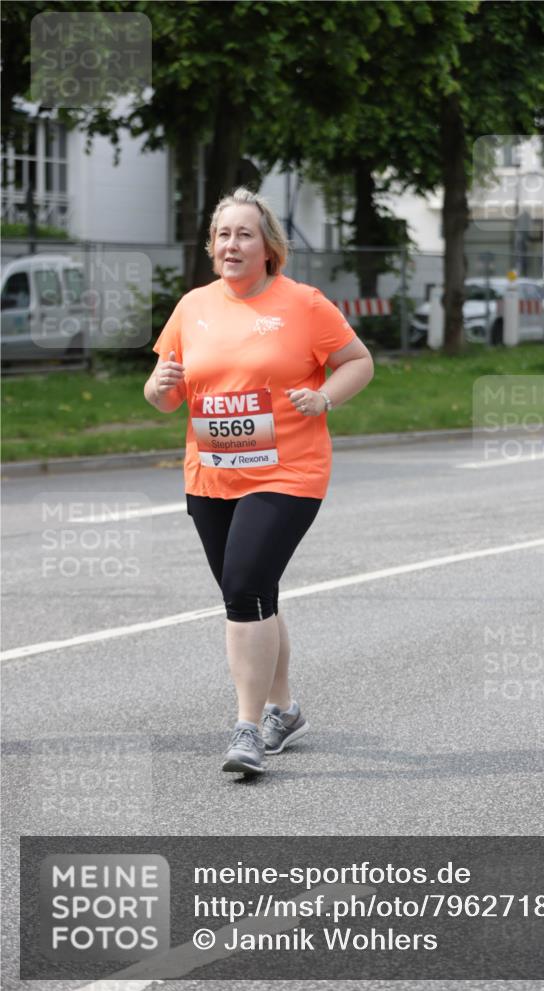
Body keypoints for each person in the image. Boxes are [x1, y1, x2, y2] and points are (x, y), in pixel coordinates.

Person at [144, 187, 373, 776]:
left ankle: (247, 730)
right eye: (223, 235)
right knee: (252, 595)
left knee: (244, 587)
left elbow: (358, 361)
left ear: (268, 247)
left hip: (288, 472)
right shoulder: (192, 307)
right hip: (211, 476)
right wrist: (162, 384)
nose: (231, 244)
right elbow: (164, 398)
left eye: (244, 234)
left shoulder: (304, 304)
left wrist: (323, 396)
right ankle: (284, 709)